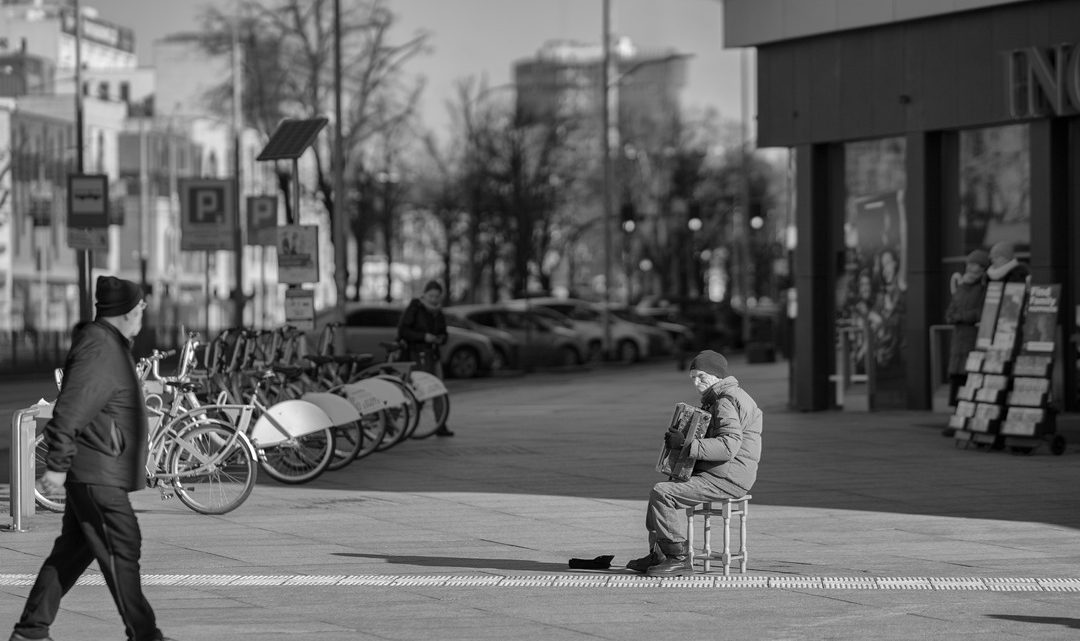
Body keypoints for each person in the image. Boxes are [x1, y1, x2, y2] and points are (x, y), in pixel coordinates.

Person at [10, 276, 172, 641]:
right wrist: (57, 466)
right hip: (97, 471)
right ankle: (145, 635)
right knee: (122, 548)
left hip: (99, 467)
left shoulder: (108, 345)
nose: (144, 311)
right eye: (141, 305)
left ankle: (31, 631)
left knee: (72, 551)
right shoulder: (100, 348)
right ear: (127, 312)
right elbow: (69, 410)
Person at [627, 350, 763, 577]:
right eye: (693, 378)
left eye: (701, 376)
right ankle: (659, 553)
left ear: (716, 375)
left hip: (728, 478)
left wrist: (686, 444)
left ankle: (677, 557)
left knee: (663, 493)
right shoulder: (726, 397)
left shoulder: (726, 401)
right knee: (663, 488)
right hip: (723, 473)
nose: (696, 382)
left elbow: (729, 446)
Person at [397, 279, 453, 436]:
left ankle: (440, 425)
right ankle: (397, 423)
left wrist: (441, 338)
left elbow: (444, 333)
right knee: (417, 391)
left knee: (438, 390)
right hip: (416, 355)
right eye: (431, 295)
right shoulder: (415, 308)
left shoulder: (438, 312)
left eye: (437, 296)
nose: (434, 299)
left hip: (433, 355)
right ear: (425, 295)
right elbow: (403, 331)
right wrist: (423, 337)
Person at [944, 249, 989, 420]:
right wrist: (958, 317)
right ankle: (957, 418)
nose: (970, 268)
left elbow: (981, 313)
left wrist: (960, 317)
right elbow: (949, 313)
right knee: (957, 380)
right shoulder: (962, 286)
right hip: (958, 341)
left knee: (971, 379)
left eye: (975, 264)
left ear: (982, 267)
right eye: (969, 264)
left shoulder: (984, 287)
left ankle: (969, 418)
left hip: (973, 340)